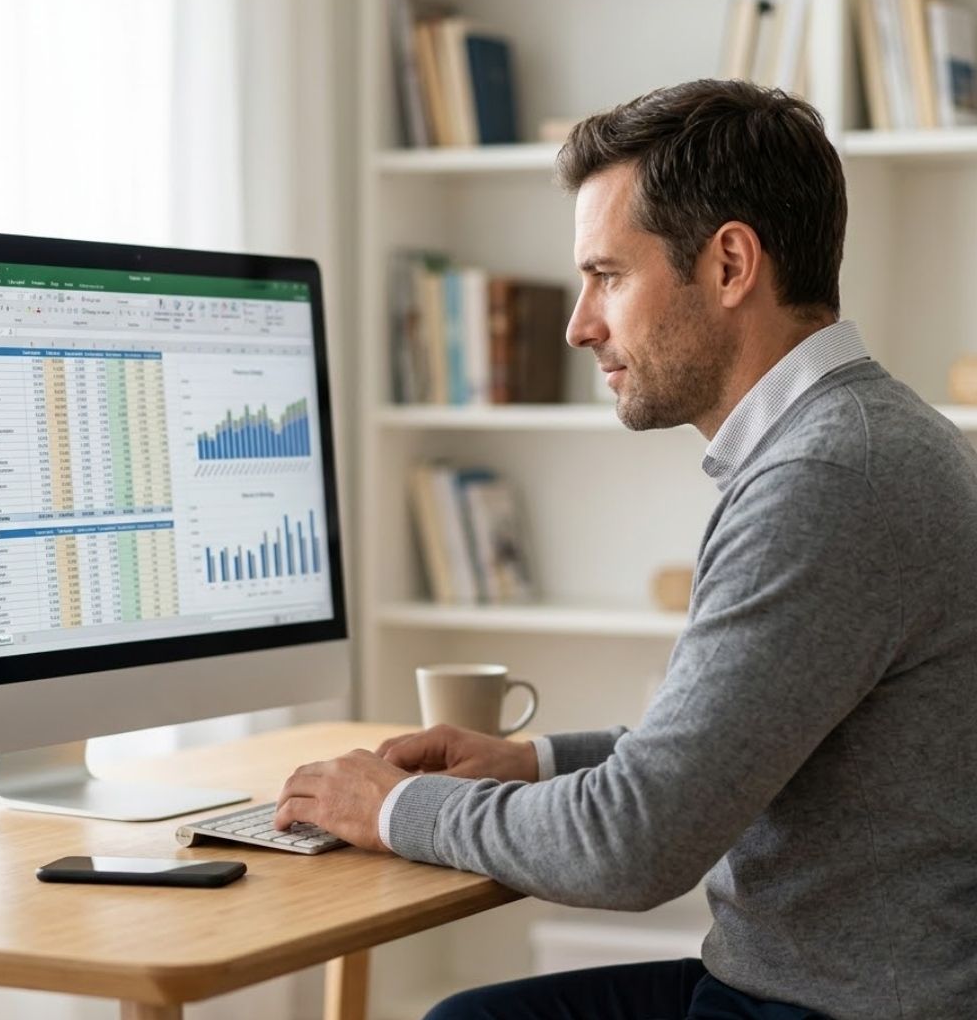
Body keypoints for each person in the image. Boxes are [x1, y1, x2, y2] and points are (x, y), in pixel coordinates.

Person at [274, 80, 977, 1019]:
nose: (578, 324)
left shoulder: (829, 475)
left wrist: (390, 809)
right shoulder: (856, 437)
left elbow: (633, 845)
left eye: (607, 275)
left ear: (730, 264)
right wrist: (528, 764)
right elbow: (737, 746)